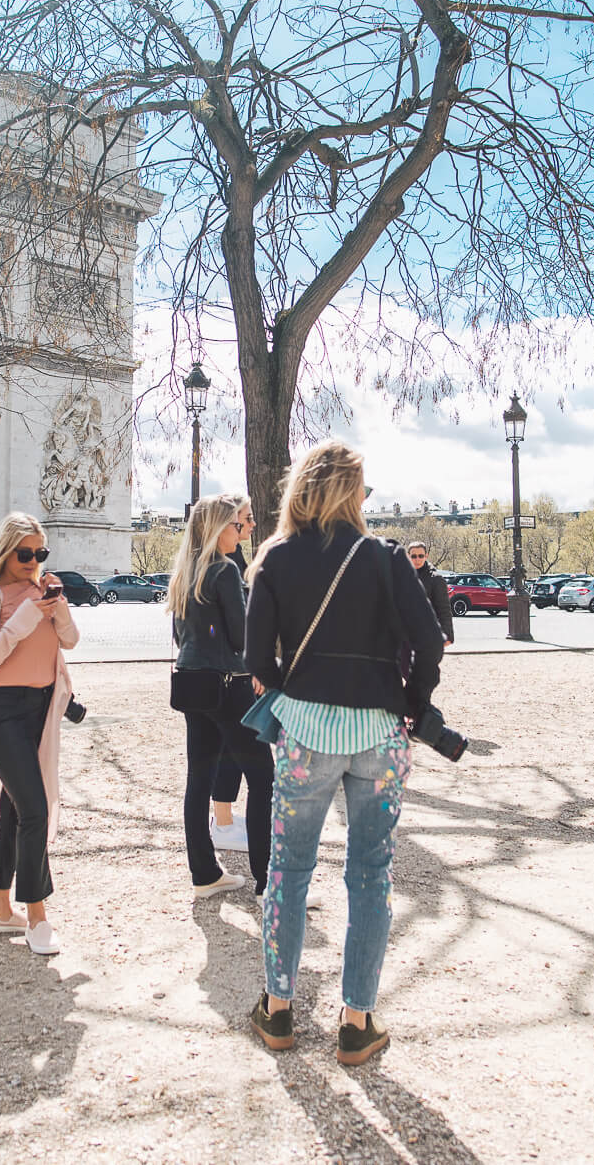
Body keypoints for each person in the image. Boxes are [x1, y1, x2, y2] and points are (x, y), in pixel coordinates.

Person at [243, 440, 445, 1066]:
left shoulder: (274, 557)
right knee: (369, 873)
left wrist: (292, 692)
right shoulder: (384, 559)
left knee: (289, 871)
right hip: (380, 733)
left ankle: (279, 1009)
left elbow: (255, 660)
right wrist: (410, 701)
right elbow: (430, 640)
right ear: (354, 493)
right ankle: (357, 1018)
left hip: (306, 733)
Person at [0, 513, 79, 956]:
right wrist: (23, 618)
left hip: (40, 711)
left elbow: (71, 641)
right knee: (35, 810)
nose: (33, 561)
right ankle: (37, 915)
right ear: (6, 552)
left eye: (40, 553)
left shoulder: (43, 591)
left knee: (14, 810)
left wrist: (57, 608)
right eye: (26, 554)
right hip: (0, 714)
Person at [169, 494, 275, 897]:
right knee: (263, 778)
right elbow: (239, 635)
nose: (244, 531)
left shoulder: (187, 570)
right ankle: (268, 879)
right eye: (239, 525)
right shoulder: (225, 571)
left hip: (193, 682)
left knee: (199, 778)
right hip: (229, 685)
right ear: (219, 528)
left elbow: (182, 636)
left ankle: (204, 873)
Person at [210, 496, 254, 853]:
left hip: (230, 668)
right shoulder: (227, 564)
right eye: (245, 520)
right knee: (233, 751)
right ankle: (222, 822)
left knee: (229, 750)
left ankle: (223, 819)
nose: (251, 525)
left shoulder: (233, 559)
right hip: (231, 670)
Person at [406, 541, 455, 648]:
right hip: (406, 635)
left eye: (421, 556)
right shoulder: (401, 577)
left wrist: (447, 635)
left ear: (426, 556)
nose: (417, 559)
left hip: (429, 634)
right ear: (408, 556)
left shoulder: (436, 579)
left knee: (427, 664)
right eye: (414, 556)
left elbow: (444, 610)